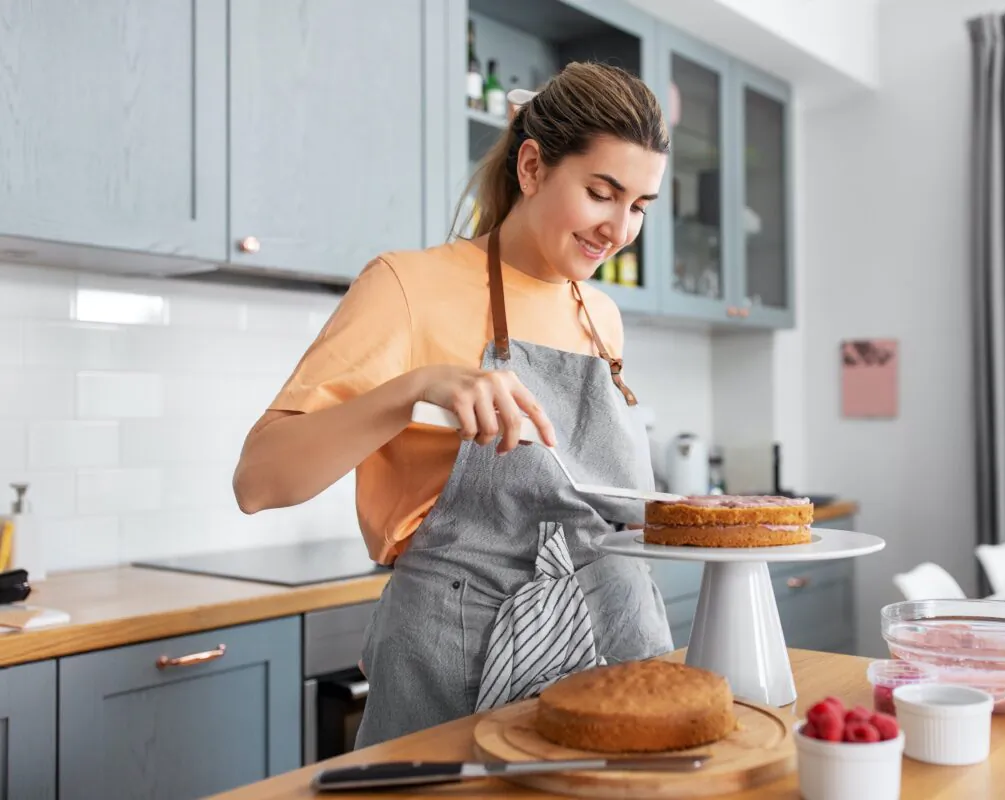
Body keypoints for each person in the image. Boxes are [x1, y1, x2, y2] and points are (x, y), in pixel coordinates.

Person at [232, 61, 675, 745]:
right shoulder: (407, 285)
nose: (619, 229)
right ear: (532, 167)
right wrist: (415, 387)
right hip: (458, 661)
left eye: (640, 206)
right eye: (601, 193)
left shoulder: (601, 316)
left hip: (611, 648)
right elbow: (259, 481)